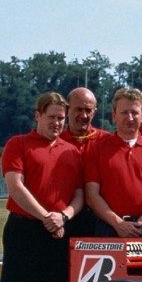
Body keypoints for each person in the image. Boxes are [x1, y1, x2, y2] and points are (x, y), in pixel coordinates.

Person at [0, 92, 83, 282]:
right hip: (24, 228)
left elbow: (79, 194)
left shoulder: (72, 152)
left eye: (61, 118)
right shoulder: (18, 144)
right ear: (37, 115)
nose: (57, 123)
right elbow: (15, 186)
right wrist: (46, 215)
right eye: (51, 117)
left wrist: (64, 216)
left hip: (57, 228)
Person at [84, 88, 142, 237]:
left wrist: (141, 223)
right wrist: (119, 224)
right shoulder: (97, 150)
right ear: (114, 116)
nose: (130, 118)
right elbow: (92, 195)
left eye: (135, 113)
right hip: (108, 228)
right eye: (124, 113)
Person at [60, 87, 103, 237]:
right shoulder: (55, 141)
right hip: (64, 216)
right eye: (78, 109)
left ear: (95, 112)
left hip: (99, 219)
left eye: (88, 110)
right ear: (67, 109)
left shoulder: (107, 141)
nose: (83, 115)